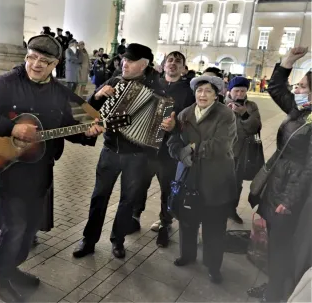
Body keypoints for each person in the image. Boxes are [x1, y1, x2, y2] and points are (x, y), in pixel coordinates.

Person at [0, 34, 104, 302]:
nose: (35, 64)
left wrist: (88, 132)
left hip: (41, 171)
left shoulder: (60, 93)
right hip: (11, 170)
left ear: (55, 64)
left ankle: (10, 270)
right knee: (15, 228)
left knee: (29, 229)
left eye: (44, 61)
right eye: (31, 57)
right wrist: (11, 128)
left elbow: (67, 128)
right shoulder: (8, 82)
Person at [72, 44, 176, 259]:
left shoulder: (159, 89)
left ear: (144, 64)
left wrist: (169, 126)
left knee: (128, 200)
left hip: (138, 156)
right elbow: (87, 112)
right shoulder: (114, 80)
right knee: (99, 196)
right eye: (124, 60)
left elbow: (162, 128)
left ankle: (117, 241)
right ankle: (88, 240)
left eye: (130, 61)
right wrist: (98, 96)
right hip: (110, 150)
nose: (124, 64)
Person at [248, 47, 311, 302]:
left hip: (290, 191)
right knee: (276, 242)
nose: (296, 90)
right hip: (279, 181)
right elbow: (276, 88)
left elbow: (310, 166)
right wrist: (288, 61)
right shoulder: (301, 112)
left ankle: (275, 293)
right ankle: (275, 286)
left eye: (303, 87)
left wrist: (289, 199)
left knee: (283, 246)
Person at [167, 75, 237, 284]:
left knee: (214, 225)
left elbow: (222, 144)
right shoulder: (185, 113)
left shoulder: (225, 115)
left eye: (208, 91)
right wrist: (180, 153)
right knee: (188, 219)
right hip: (189, 175)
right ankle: (187, 255)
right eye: (199, 90)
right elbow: (173, 141)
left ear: (216, 95)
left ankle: (213, 265)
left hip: (216, 178)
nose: (202, 94)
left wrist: (192, 148)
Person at [132, 51, 195, 247]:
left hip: (168, 151)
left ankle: (165, 224)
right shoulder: (152, 85)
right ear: (163, 65)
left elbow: (191, 122)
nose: (173, 64)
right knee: (139, 185)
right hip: (146, 147)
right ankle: (134, 217)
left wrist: (175, 125)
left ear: (184, 68)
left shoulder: (188, 92)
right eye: (170, 60)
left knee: (167, 189)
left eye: (178, 61)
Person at [225, 76, 261, 224]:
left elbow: (255, 128)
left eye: (243, 91)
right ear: (230, 91)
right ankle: (214, 210)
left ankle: (231, 210)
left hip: (240, 152)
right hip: (220, 152)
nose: (239, 94)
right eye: (236, 91)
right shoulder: (220, 103)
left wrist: (244, 114)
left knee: (236, 184)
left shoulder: (251, 106)